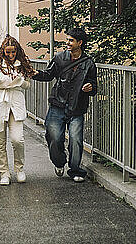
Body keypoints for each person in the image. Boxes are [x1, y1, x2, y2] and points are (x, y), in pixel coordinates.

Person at [32, 27, 97, 182]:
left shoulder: (89, 63)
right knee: (53, 137)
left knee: (76, 139)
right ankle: (59, 162)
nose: (67, 43)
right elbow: (48, 75)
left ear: (79, 43)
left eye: (71, 40)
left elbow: (94, 86)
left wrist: (91, 87)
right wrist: (34, 74)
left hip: (77, 107)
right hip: (58, 104)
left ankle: (75, 170)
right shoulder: (59, 58)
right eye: (67, 39)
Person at [0, 36, 35, 185]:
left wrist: (19, 80)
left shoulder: (23, 64)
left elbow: (27, 85)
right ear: (3, 51)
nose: (11, 55)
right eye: (8, 52)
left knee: (17, 139)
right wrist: (1, 82)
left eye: (13, 52)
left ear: (17, 51)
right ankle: (4, 173)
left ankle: (19, 169)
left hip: (15, 104)